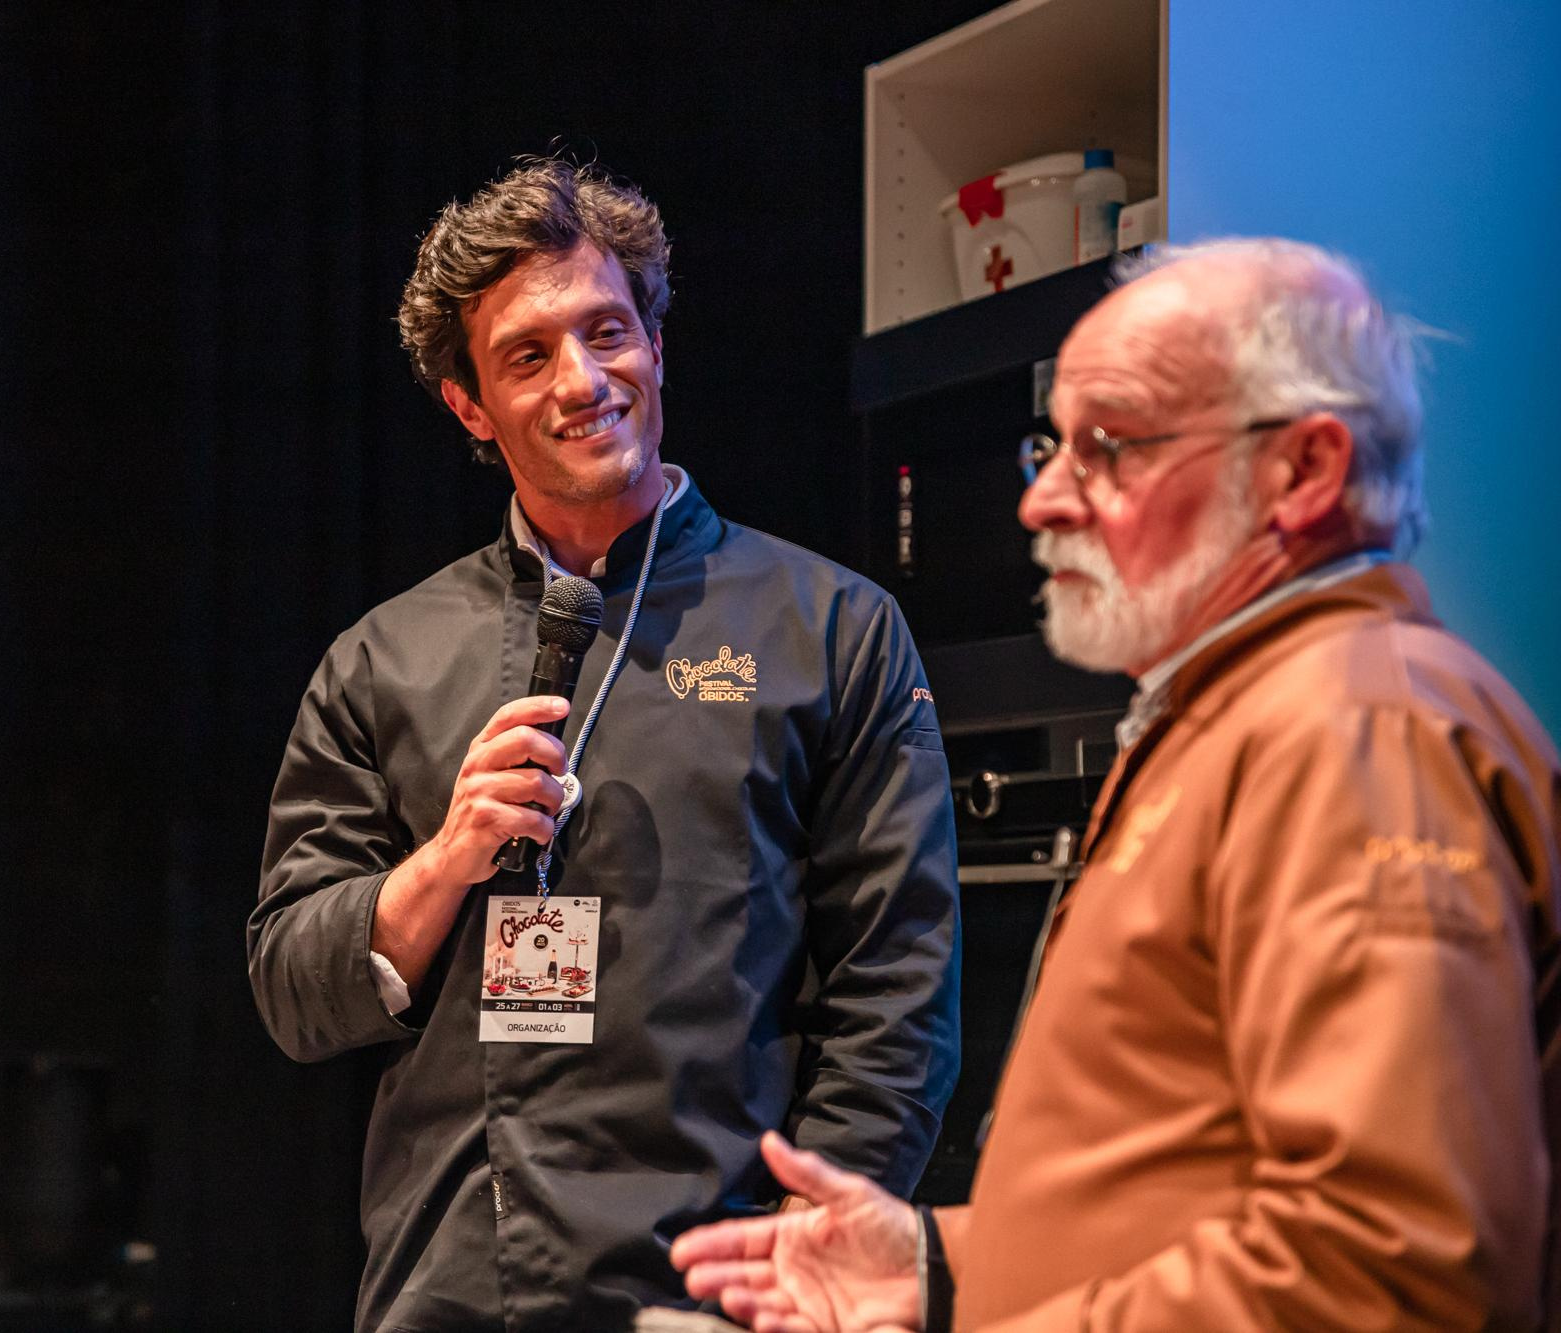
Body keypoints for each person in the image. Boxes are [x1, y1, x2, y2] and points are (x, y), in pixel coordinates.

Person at [669, 238, 1561, 1331]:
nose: (1041, 499)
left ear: (1302, 472)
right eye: (1050, 446)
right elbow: (1188, 1181)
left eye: (1109, 446)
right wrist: (943, 1267)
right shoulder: (1248, 716)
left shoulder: (1357, 734)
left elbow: (1390, 1271)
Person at [247, 159, 961, 1332]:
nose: (582, 380)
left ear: (657, 347)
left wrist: (799, 1252)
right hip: (450, 1286)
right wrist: (446, 859)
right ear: (469, 406)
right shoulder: (382, 658)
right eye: (527, 355)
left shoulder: (831, 628)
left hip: (724, 1283)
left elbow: (897, 997)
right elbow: (291, 989)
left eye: (607, 332)